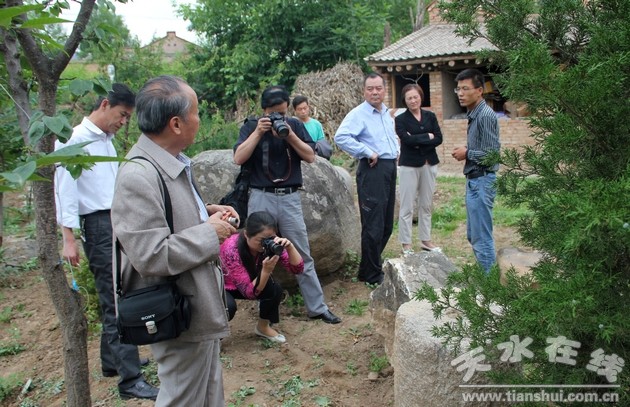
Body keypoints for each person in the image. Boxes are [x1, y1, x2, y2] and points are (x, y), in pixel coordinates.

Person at [111, 75, 237, 406]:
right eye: (196, 112)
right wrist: (210, 232)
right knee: (182, 397)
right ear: (176, 124)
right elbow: (150, 254)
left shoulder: (168, 161)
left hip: (196, 306)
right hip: (178, 313)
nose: (200, 119)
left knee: (208, 393)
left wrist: (205, 212)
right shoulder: (138, 175)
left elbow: (166, 217)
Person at [54, 83, 158, 400]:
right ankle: (130, 380)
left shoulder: (106, 141)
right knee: (115, 300)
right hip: (97, 225)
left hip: (114, 219)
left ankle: (112, 361)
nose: (123, 122)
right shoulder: (73, 141)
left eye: (127, 117)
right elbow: (64, 190)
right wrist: (68, 238)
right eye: (122, 115)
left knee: (114, 292)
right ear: (104, 105)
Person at [233, 85, 341, 324]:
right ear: (264, 110)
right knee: (256, 253)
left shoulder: (295, 125)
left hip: (290, 197)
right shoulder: (251, 126)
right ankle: (263, 309)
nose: (278, 118)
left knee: (301, 253)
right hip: (261, 195)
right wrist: (258, 132)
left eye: (282, 113)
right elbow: (238, 158)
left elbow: (310, 156)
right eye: (273, 113)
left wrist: (289, 134)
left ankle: (317, 308)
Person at [334, 72, 399, 285]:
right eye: (370, 88)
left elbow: (389, 136)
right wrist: (366, 151)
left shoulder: (385, 112)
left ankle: (367, 267)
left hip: (389, 167)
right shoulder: (358, 114)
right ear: (364, 91)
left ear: (384, 90)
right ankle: (372, 274)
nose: (374, 92)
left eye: (378, 88)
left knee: (386, 224)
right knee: (374, 224)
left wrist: (396, 150)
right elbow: (341, 137)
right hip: (373, 169)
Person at [220, 211, 304, 343]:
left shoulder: (271, 244)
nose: (266, 243)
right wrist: (266, 271)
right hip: (222, 285)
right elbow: (249, 293)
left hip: (250, 284)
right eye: (261, 240)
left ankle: (263, 327)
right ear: (246, 234)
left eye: (270, 238)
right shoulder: (231, 250)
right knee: (228, 307)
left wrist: (290, 247)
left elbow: (297, 269)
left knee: (274, 289)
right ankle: (213, 339)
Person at [451, 69, 501, 273]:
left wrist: (467, 153)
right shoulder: (475, 113)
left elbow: (492, 155)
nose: (461, 93)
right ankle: (486, 276)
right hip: (474, 181)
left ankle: (490, 285)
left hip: (482, 181)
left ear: (479, 90)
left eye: (465, 88)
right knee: (474, 235)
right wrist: (468, 150)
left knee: (481, 238)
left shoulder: (485, 115)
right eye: (458, 89)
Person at [395, 83, 443, 254]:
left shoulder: (430, 116)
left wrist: (417, 138)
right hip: (409, 165)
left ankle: (426, 240)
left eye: (415, 97)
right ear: (405, 100)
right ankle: (406, 243)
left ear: (421, 97)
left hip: (429, 163)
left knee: (426, 204)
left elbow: (438, 138)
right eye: (409, 98)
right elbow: (406, 140)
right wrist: (426, 136)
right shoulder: (400, 119)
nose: (413, 100)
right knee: (407, 206)